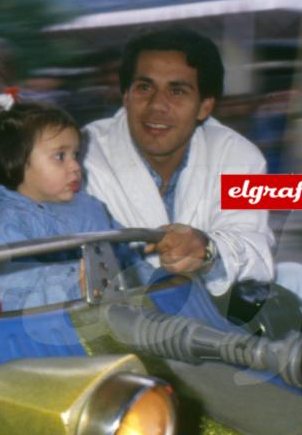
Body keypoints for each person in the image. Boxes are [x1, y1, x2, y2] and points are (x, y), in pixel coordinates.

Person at [82, 27, 274, 297]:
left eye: (178, 91)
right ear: (125, 95)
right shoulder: (81, 154)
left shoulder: (238, 156)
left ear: (205, 106)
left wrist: (207, 251)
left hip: (209, 317)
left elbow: (254, 247)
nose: (157, 105)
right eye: (145, 87)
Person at [0, 99, 139, 310]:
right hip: (49, 329)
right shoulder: (5, 222)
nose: (76, 167)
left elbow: (127, 254)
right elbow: (16, 290)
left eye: (76, 155)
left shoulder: (90, 207)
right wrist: (78, 284)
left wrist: (155, 276)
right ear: (12, 163)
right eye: (60, 156)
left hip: (114, 313)